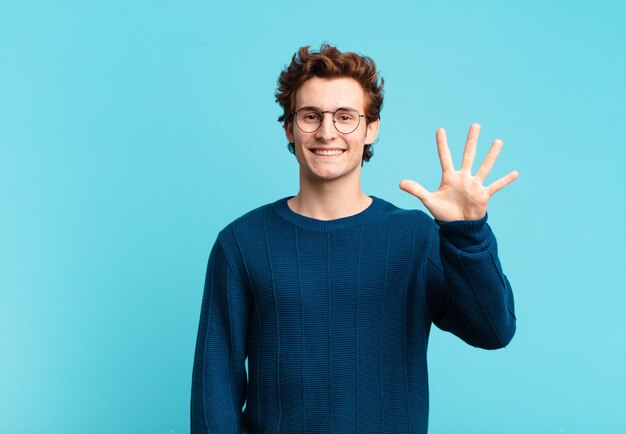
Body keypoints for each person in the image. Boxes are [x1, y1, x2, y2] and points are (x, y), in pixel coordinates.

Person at [191, 43, 518, 434]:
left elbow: (494, 330)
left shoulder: (417, 239)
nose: (327, 132)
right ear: (289, 127)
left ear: (371, 128)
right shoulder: (241, 244)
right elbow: (214, 393)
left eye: (345, 116)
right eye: (311, 116)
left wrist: (468, 232)